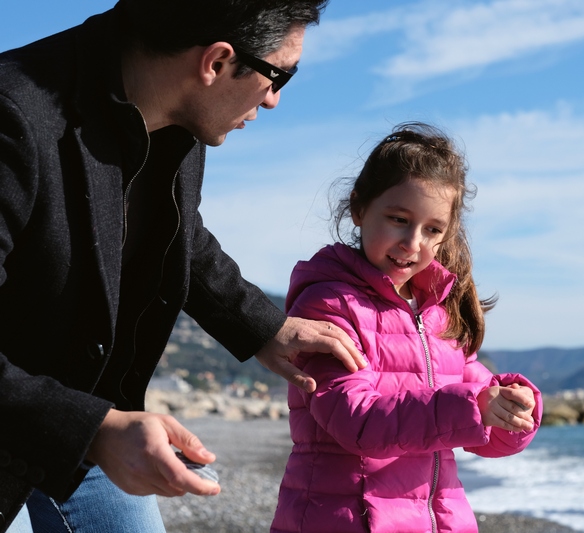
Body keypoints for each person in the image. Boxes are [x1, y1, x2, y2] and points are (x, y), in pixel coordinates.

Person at [0, 1, 366, 531]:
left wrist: (266, 328)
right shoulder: (14, 118)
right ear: (216, 62)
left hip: (92, 409)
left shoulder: (175, 117)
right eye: (277, 75)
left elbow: (178, 235)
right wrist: (98, 429)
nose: (275, 100)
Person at [270, 122, 543, 533]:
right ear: (360, 210)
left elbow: (483, 428)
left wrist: (514, 408)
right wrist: (475, 405)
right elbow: (355, 420)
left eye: (432, 229)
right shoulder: (330, 304)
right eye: (399, 219)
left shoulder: (438, 315)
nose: (413, 242)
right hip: (346, 519)